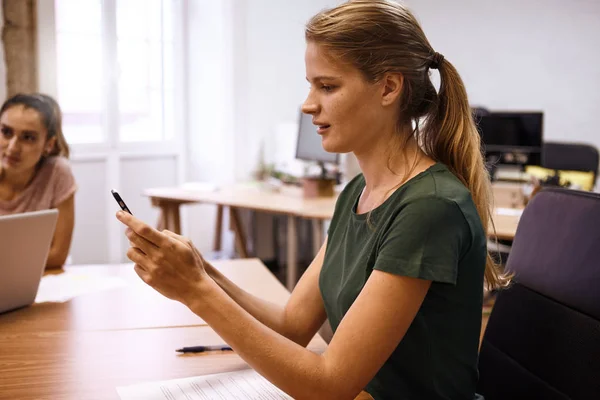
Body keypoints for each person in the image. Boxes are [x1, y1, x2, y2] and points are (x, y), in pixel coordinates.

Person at [116, 1, 508, 398]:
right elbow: (292, 325)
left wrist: (195, 290)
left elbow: (330, 385)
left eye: (327, 86)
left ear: (389, 87)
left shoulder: (430, 207)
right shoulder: (359, 193)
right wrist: (201, 272)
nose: (308, 105)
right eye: (311, 85)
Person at [0, 93, 76, 269]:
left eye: (28, 137)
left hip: (42, 279)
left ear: (48, 145)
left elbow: (58, 254)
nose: (12, 147)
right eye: (6, 132)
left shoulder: (57, 172)